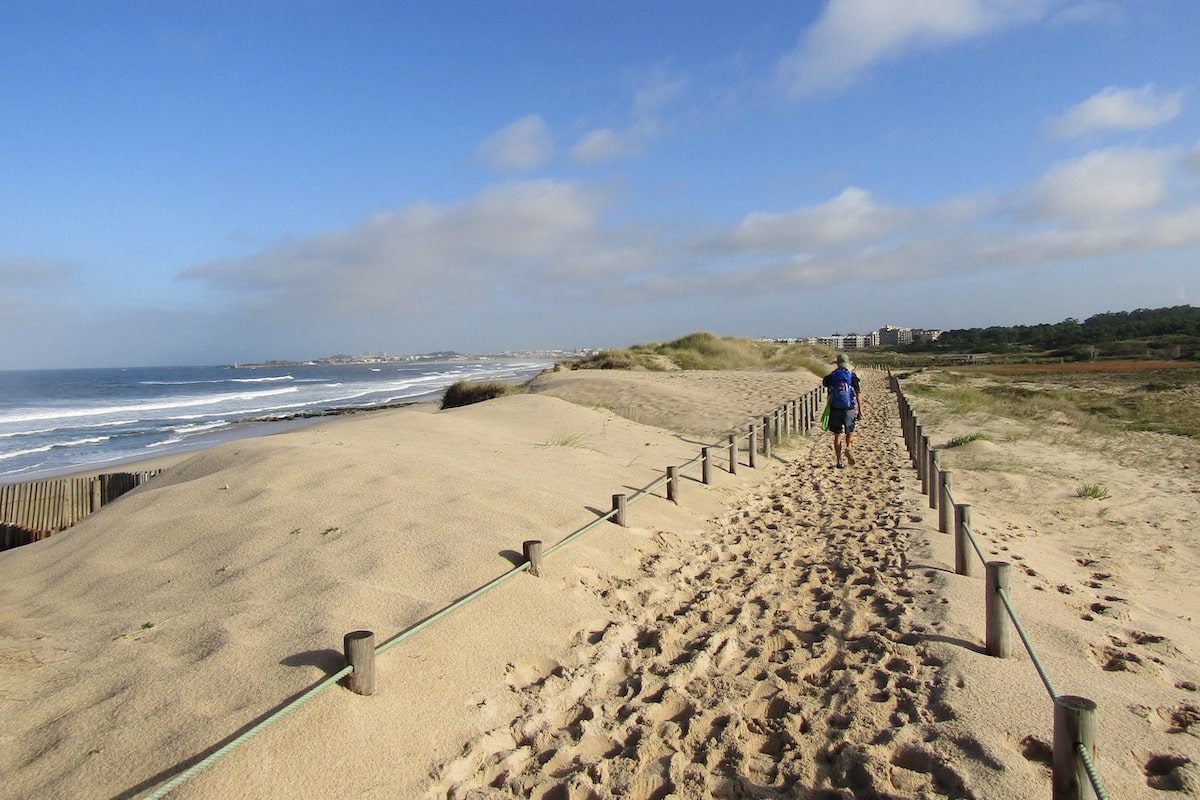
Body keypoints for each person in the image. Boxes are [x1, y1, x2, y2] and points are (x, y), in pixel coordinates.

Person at [822, 353, 862, 469]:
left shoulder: (831, 376)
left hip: (835, 409)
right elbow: (858, 394)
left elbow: (825, 385)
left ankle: (839, 461)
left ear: (837, 364)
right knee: (850, 432)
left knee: (837, 435)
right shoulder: (852, 376)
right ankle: (848, 447)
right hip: (849, 408)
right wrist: (860, 410)